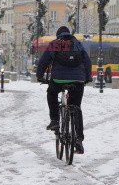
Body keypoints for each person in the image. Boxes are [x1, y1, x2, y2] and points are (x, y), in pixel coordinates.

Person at [36, 26, 92, 154]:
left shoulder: (54, 44)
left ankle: (55, 120)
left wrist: (40, 76)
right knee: (76, 107)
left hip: (59, 79)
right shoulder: (77, 44)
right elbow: (87, 61)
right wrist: (87, 77)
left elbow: (43, 61)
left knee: (51, 93)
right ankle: (78, 138)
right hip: (78, 80)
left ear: (58, 35)